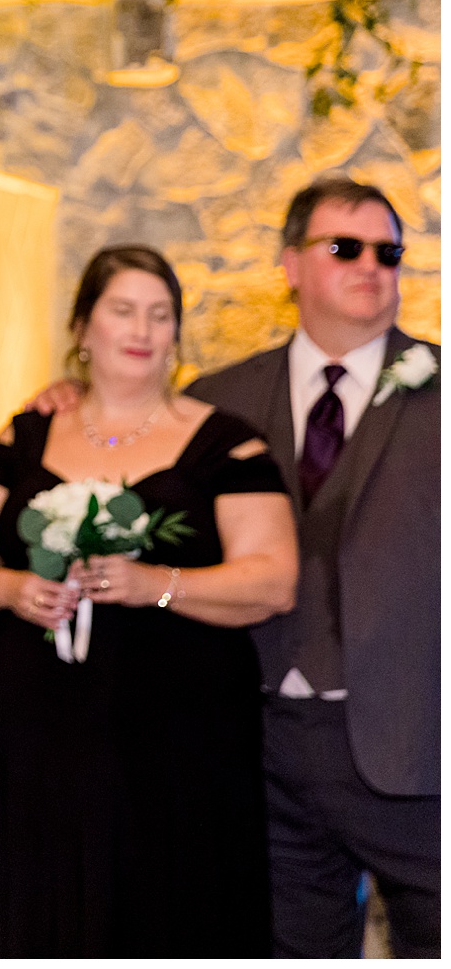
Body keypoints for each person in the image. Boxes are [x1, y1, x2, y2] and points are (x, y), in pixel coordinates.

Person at [0, 245, 298, 956]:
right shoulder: (26, 432)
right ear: (83, 327)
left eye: (161, 315)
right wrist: (12, 587)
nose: (143, 329)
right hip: (26, 739)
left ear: (175, 335)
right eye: (123, 310)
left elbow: (274, 577)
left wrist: (156, 583)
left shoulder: (227, 443)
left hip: (178, 743)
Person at [186, 177, 438, 957]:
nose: (373, 265)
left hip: (418, 746)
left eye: (388, 251)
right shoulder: (214, 400)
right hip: (260, 747)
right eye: (346, 247)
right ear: (290, 264)